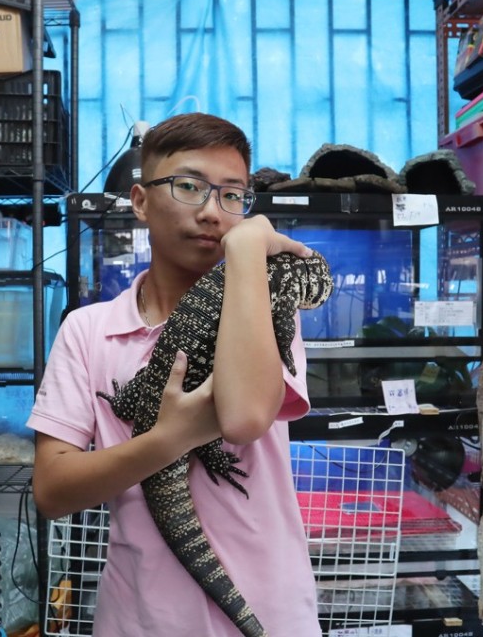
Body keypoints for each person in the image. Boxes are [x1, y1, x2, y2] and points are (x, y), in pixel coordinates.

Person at [28, 112, 321, 636]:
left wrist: (248, 249)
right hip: (140, 619)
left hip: (271, 614)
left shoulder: (263, 300)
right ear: (140, 200)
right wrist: (171, 438)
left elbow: (245, 417)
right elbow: (53, 491)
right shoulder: (88, 330)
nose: (213, 212)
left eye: (233, 195)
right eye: (189, 187)